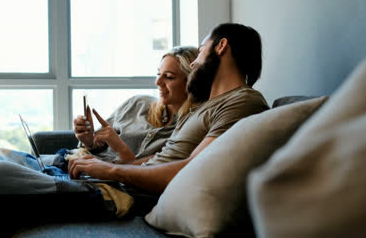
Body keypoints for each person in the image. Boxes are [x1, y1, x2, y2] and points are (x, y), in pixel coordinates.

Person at [69, 23, 270, 194]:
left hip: (140, 193)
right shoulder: (202, 108)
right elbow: (163, 158)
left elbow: (194, 168)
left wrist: (113, 172)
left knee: (40, 189)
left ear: (221, 46)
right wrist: (106, 166)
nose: (193, 63)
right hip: (130, 183)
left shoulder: (243, 101)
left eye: (200, 51)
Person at [73, 46, 198, 164]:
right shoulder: (137, 103)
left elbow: (151, 170)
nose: (157, 82)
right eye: (158, 74)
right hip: (79, 161)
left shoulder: (191, 128)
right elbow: (97, 145)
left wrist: (121, 149)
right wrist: (89, 141)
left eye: (169, 77)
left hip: (109, 180)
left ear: (191, 82)